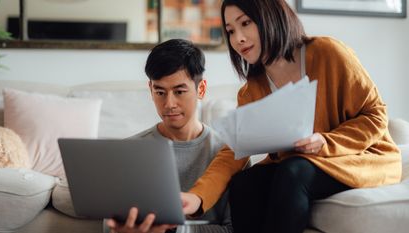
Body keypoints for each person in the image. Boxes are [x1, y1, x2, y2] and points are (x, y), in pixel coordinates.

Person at [181, 0, 402, 233]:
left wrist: (327, 142)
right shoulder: (252, 90)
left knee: (294, 171)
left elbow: (376, 115)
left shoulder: (329, 53)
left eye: (245, 23)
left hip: (361, 157)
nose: (238, 38)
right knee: (245, 183)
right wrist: (198, 196)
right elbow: (233, 152)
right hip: (304, 165)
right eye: (231, 31)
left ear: (271, 16)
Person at [106, 39, 233, 233]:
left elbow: (234, 229)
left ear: (201, 89)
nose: (169, 103)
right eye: (160, 92)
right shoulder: (129, 150)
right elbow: (109, 227)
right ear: (151, 90)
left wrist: (171, 231)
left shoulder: (229, 153)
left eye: (179, 91)